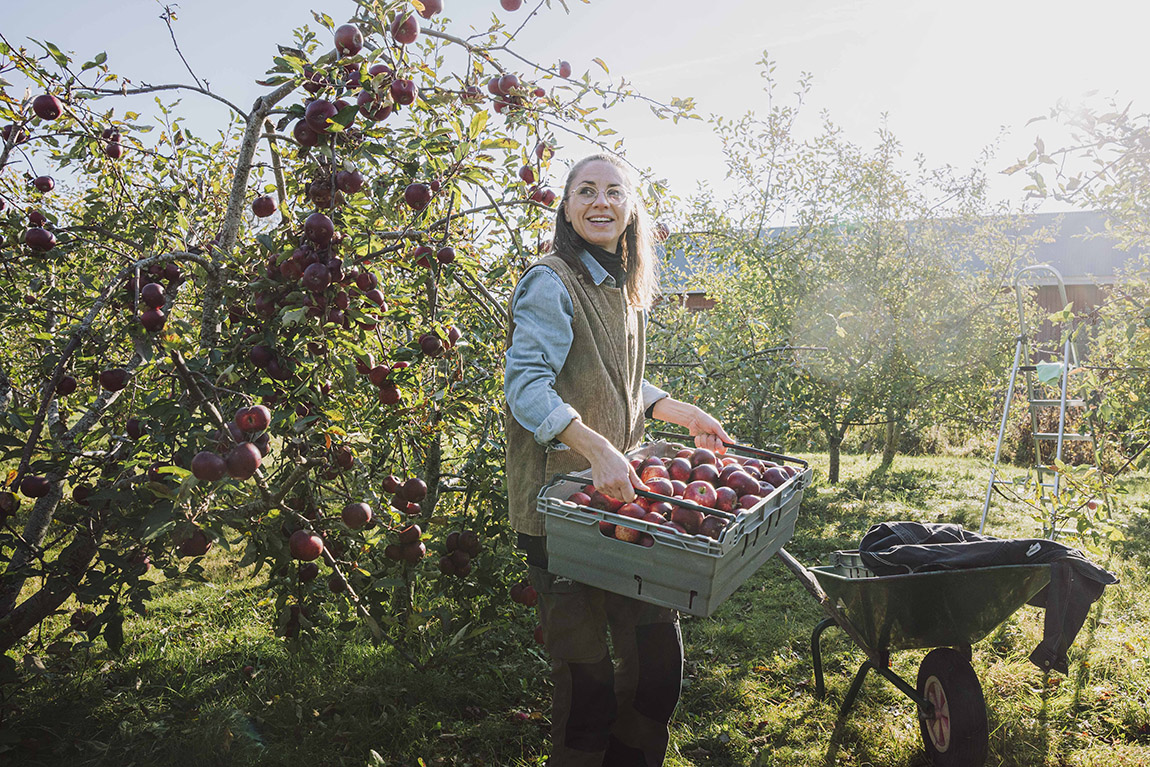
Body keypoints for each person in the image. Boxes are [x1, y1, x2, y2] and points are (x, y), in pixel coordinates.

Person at [504, 153, 732, 766]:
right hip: (563, 507)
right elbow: (527, 386)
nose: (600, 202)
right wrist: (597, 446)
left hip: (625, 498)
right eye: (585, 191)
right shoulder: (551, 281)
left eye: (613, 191)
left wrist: (678, 411)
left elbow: (611, 382)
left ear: (630, 208)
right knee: (589, 691)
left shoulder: (625, 291)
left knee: (658, 671)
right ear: (567, 206)